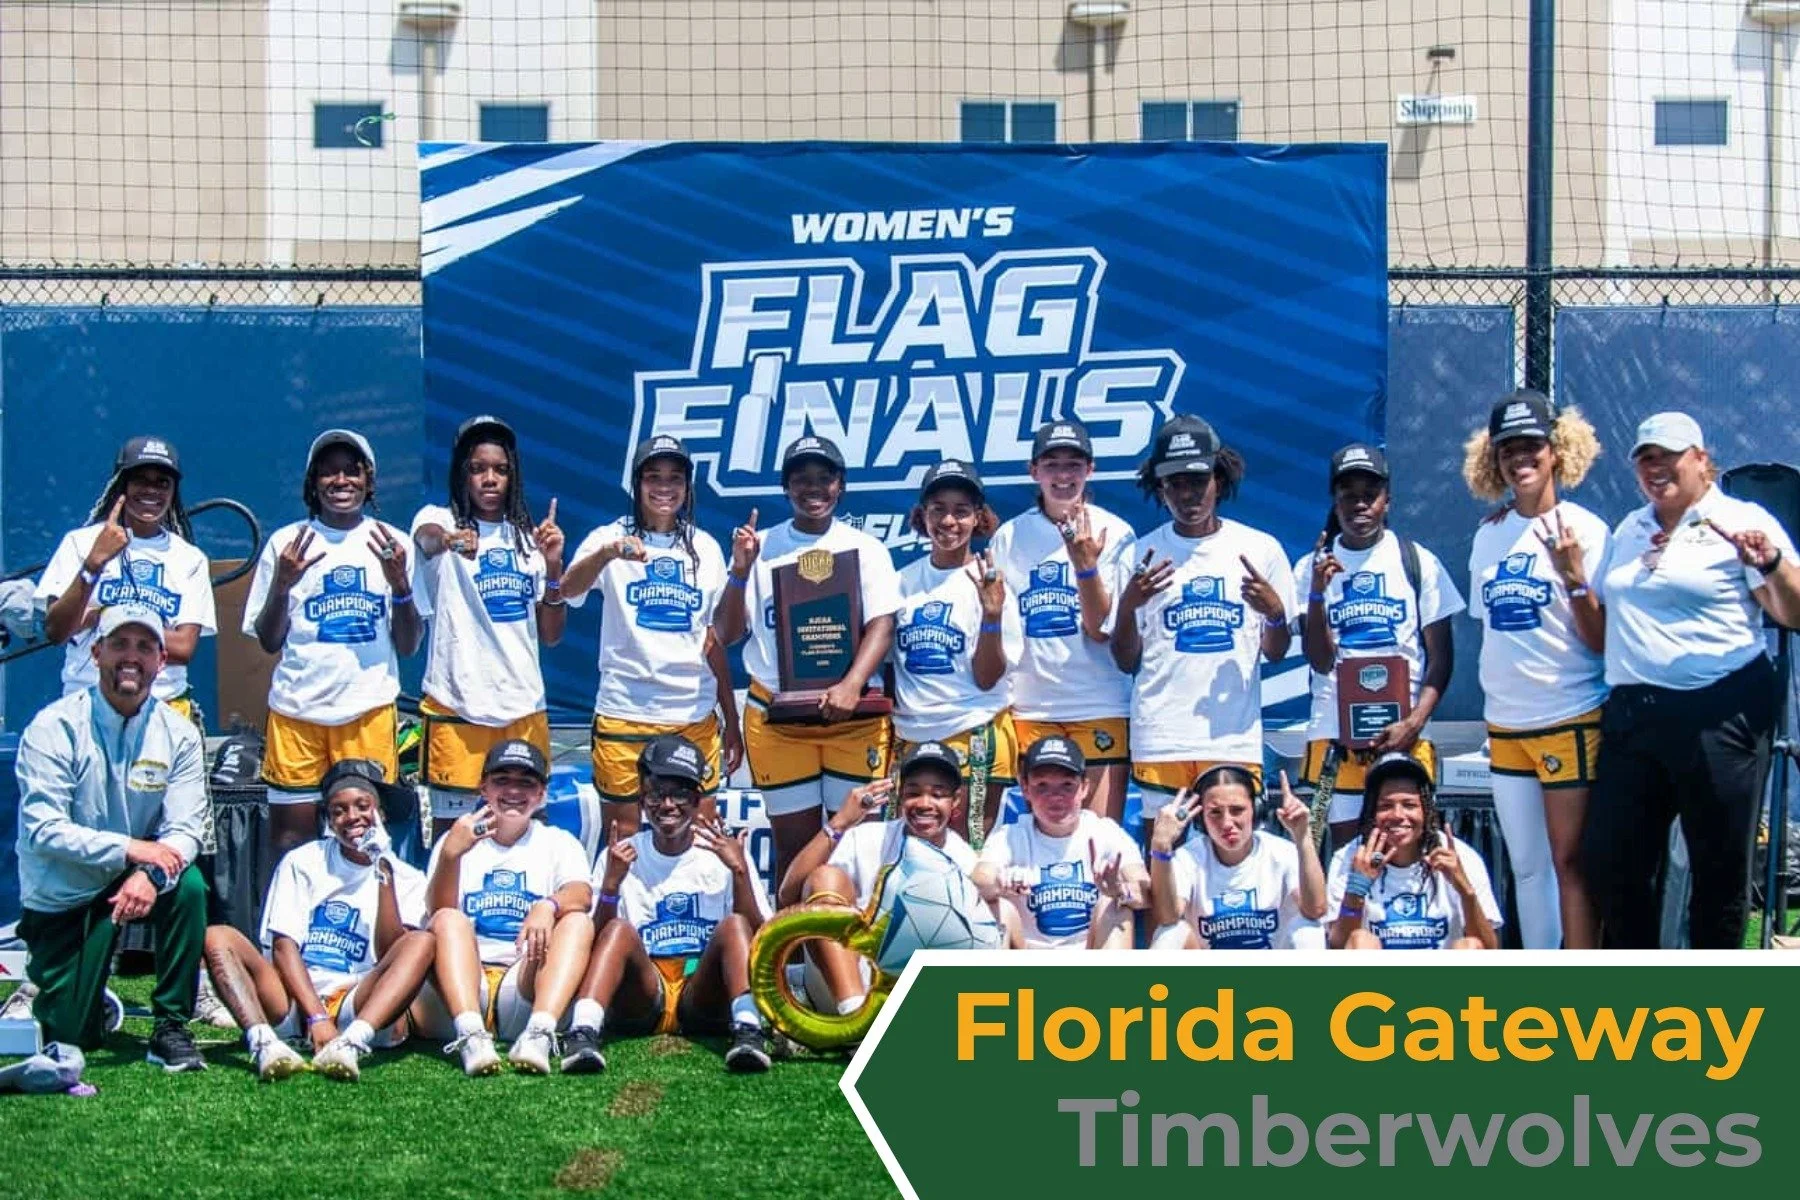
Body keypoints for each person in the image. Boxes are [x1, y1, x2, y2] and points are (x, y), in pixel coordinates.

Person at [1584, 412, 1800, 949]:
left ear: (1701, 460)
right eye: (1645, 458)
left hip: (1720, 711)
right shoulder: (1629, 528)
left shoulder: (1741, 519)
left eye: (1669, 456)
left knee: (1719, 871)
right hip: (1635, 715)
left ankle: (1714, 1001)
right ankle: (1635, 999)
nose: (1656, 468)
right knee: (1613, 863)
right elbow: (1604, 621)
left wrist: (1770, 563)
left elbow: (1793, 613)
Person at [14, 604, 209, 1069]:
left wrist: (149, 873)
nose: (131, 657)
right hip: (63, 891)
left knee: (189, 886)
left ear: (161, 662)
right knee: (70, 1033)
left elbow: (186, 830)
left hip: (129, 879)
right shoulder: (53, 727)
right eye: (119, 644)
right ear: (96, 653)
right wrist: (130, 849)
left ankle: (170, 1028)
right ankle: (88, 994)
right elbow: (44, 830)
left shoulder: (178, 733)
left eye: (144, 647)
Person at [713, 434, 901, 890]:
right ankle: (790, 959)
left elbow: (882, 624)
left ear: (841, 486)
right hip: (779, 720)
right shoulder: (759, 546)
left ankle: (852, 960)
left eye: (824, 479)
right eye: (801, 479)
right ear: (785, 487)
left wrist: (853, 683)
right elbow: (727, 632)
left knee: (856, 849)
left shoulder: (866, 549)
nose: (813, 488)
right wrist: (740, 571)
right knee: (793, 850)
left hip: (852, 719)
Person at [1463, 390, 1609, 949]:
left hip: (1568, 715)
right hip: (1505, 724)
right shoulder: (1489, 533)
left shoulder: (1587, 529)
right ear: (1492, 460)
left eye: (1532, 447)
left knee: (1571, 864)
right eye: (1508, 450)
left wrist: (1573, 576)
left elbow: (1601, 641)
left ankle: (1577, 985)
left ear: (1557, 451)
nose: (1519, 459)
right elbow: (1494, 628)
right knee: (1527, 868)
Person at [1112, 415, 1292, 837]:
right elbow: (1124, 660)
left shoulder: (1260, 549)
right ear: (1159, 488)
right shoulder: (1140, 553)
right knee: (1163, 861)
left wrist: (1276, 613)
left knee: (1231, 861)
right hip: (1161, 734)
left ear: (1220, 479)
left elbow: (1277, 651)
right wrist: (1127, 606)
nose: (1187, 493)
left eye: (1198, 480)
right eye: (1174, 482)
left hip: (1233, 738)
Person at [200, 759, 435, 1082]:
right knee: (217, 936)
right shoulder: (303, 861)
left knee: (422, 941)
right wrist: (316, 1017)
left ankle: (353, 1044)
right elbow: (284, 947)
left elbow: (392, 953)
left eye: (362, 806)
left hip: (358, 999)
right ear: (329, 820)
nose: (352, 817)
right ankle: (264, 1043)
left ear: (381, 814)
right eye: (338, 811)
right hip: (295, 999)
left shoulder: (407, 877)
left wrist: (382, 870)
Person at [244, 429, 421, 856]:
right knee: (292, 843)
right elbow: (269, 640)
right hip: (297, 713)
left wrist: (400, 584)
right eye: (328, 472)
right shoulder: (286, 544)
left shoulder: (394, 544)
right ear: (313, 483)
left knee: (367, 840)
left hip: (367, 712)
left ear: (369, 479)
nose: (340, 481)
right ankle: (290, 923)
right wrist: (282, 585)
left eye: (351, 471)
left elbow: (409, 643)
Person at [561, 735, 770, 1075]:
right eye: (657, 794)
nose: (668, 805)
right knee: (618, 929)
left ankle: (749, 1029)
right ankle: (583, 1031)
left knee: (733, 925)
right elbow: (595, 944)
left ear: (698, 801)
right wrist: (612, 885)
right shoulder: (621, 853)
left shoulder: (723, 851)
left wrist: (740, 872)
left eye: (680, 794)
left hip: (703, 990)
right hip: (644, 992)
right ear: (642, 801)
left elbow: (759, 936)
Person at [563, 434, 739, 835]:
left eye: (675, 478)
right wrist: (608, 554)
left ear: (687, 486)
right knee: (623, 839)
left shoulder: (706, 548)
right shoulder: (608, 537)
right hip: (625, 712)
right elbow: (566, 591)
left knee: (701, 836)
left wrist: (731, 719)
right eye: (653, 477)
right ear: (636, 483)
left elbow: (714, 642)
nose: (664, 487)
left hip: (691, 715)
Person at [1292, 443, 1465, 849]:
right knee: (1348, 855)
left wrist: (1414, 722)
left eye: (1370, 495)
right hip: (1335, 736)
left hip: (1402, 732)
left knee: (1407, 851)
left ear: (1387, 500)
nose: (1360, 505)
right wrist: (1318, 593)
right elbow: (1319, 661)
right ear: (1334, 502)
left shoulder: (1417, 560)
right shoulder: (1310, 568)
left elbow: (1441, 657)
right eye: (1348, 496)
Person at [411, 415, 564, 839]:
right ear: (462, 473)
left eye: (500, 469)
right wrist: (449, 540)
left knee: (529, 829)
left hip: (523, 708)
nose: (490, 479)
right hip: (457, 706)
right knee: (452, 834)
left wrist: (553, 567)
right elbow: (424, 539)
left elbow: (550, 633)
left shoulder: (528, 540)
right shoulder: (439, 517)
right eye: (478, 468)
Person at [989, 419, 1138, 821]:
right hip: (1031, 707)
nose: (1063, 475)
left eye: (1074, 464)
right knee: (1040, 840)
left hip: (1099, 701)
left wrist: (1085, 567)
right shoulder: (1008, 537)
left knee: (1101, 841)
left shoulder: (1117, 532)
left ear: (1090, 470)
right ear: (1033, 471)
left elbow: (1101, 629)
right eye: (1051, 464)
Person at [418, 739, 595, 1075]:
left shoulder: (557, 841)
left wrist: (548, 904)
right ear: (483, 787)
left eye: (526, 783)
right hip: (463, 987)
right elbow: (436, 914)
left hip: (526, 985)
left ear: (542, 794)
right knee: (449, 919)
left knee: (577, 922)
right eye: (502, 781)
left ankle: (539, 1034)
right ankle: (471, 1036)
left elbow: (582, 894)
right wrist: (451, 856)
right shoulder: (457, 836)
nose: (513, 791)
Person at [778, 740, 975, 1016]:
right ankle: (854, 1015)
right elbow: (788, 896)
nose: (924, 804)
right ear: (900, 795)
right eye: (913, 792)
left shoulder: (965, 860)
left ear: (955, 802)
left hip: (912, 993)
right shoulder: (866, 837)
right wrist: (839, 824)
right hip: (840, 985)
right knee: (825, 878)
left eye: (937, 794)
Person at [35, 436, 216, 723]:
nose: (151, 491)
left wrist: (105, 618)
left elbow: (183, 648)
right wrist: (94, 563)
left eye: (162, 483)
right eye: (140, 480)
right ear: (121, 485)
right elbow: (57, 631)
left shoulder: (190, 558)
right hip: (85, 702)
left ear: (173, 491)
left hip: (163, 706)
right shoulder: (80, 544)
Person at [891, 459, 1022, 841]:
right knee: (909, 850)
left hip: (975, 730)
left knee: (968, 852)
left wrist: (992, 613)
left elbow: (987, 678)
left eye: (961, 511)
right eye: (938, 509)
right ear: (922, 515)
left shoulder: (993, 582)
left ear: (978, 518)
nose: (949, 521)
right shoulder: (901, 581)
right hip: (911, 734)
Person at [973, 736, 1146, 950]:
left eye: (1067, 785)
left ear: (1084, 787)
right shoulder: (1010, 836)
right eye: (1042, 785)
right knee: (996, 908)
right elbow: (978, 881)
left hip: (1089, 955)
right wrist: (998, 883)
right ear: (1025, 788)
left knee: (1116, 908)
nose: (1055, 796)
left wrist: (1120, 890)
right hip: (1029, 955)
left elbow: (1145, 891)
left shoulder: (1105, 831)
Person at [1325, 753, 1501, 950]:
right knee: (1360, 940)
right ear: (1371, 813)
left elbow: (1489, 950)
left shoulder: (1460, 855)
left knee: (1470, 946)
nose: (1398, 815)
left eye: (1409, 805)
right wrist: (1356, 889)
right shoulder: (1349, 857)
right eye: (1385, 806)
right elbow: (1338, 949)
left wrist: (1465, 890)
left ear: (1427, 810)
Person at [1148, 766, 1326, 949]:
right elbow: (1167, 917)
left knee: (1309, 930)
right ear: (1201, 819)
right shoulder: (1187, 857)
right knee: (1170, 933)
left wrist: (1303, 837)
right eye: (1215, 813)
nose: (1227, 823)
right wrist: (1161, 845)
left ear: (1256, 811)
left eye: (1237, 810)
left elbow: (1316, 909)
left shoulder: (1282, 853)